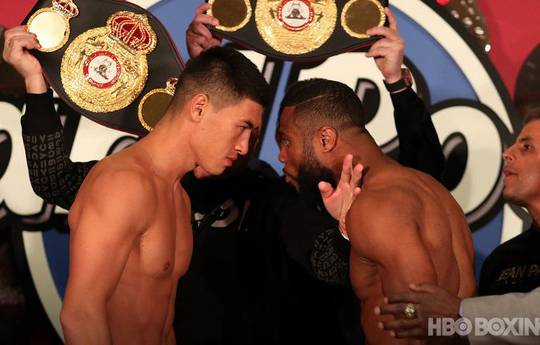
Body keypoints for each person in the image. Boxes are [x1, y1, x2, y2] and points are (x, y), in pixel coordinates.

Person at [5, 4, 445, 344]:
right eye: (244, 128)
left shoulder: (247, 192)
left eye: (260, 134)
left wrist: (346, 228)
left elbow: (415, 193)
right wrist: (35, 86)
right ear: (199, 108)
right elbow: (79, 306)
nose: (250, 145)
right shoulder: (127, 183)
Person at [275, 10, 476, 345]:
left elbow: (419, 323)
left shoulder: (375, 206)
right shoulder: (431, 190)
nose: (281, 156)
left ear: (325, 139)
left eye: (286, 141)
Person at [375, 113, 540, 345]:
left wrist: (461, 312)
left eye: (527, 147)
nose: (507, 153)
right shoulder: (503, 259)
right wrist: (441, 324)